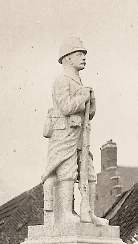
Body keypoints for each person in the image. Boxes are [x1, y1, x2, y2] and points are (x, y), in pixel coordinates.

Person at [41, 37, 97, 223]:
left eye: (83, 54)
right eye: (79, 54)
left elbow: (89, 114)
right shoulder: (61, 81)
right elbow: (66, 107)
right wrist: (82, 97)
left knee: (89, 174)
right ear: (67, 59)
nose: (83, 57)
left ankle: (89, 213)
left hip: (81, 135)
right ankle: (65, 213)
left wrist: (92, 100)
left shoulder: (79, 83)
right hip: (64, 134)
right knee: (67, 172)